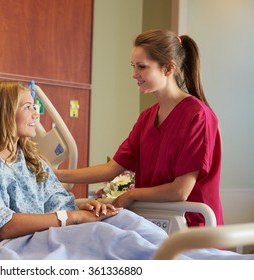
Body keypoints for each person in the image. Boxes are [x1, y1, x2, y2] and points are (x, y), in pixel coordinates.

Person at [0, 80, 154, 250]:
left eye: (35, 108)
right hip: (16, 242)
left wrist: (88, 208)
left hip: (50, 233)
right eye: (28, 107)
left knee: (125, 221)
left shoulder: (31, 160)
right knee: (105, 236)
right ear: (2, 114)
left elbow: (60, 204)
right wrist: (74, 217)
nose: (36, 115)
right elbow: (1, 225)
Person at [54, 29, 224, 227]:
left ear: (168, 69)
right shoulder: (147, 119)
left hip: (193, 228)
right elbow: (110, 169)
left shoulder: (198, 116)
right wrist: (55, 174)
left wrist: (132, 194)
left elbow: (180, 190)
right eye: (133, 66)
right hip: (156, 223)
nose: (134, 74)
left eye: (142, 67)